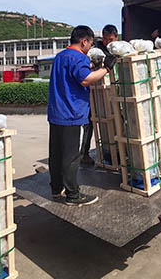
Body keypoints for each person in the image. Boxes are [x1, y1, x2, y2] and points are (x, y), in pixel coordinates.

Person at [48, 25, 116, 206]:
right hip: (72, 114)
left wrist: (94, 66)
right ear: (84, 41)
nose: (90, 47)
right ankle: (73, 195)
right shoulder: (79, 57)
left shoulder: (61, 56)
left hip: (56, 113)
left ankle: (56, 189)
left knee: (56, 153)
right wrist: (106, 69)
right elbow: (85, 80)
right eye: (90, 44)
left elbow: (73, 75)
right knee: (71, 157)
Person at [80, 24, 118, 165]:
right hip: (95, 92)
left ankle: (116, 151)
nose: (108, 42)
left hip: (112, 92)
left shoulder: (118, 49)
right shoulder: (96, 49)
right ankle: (84, 154)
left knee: (115, 121)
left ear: (116, 38)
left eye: (111, 39)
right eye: (105, 39)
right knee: (90, 122)